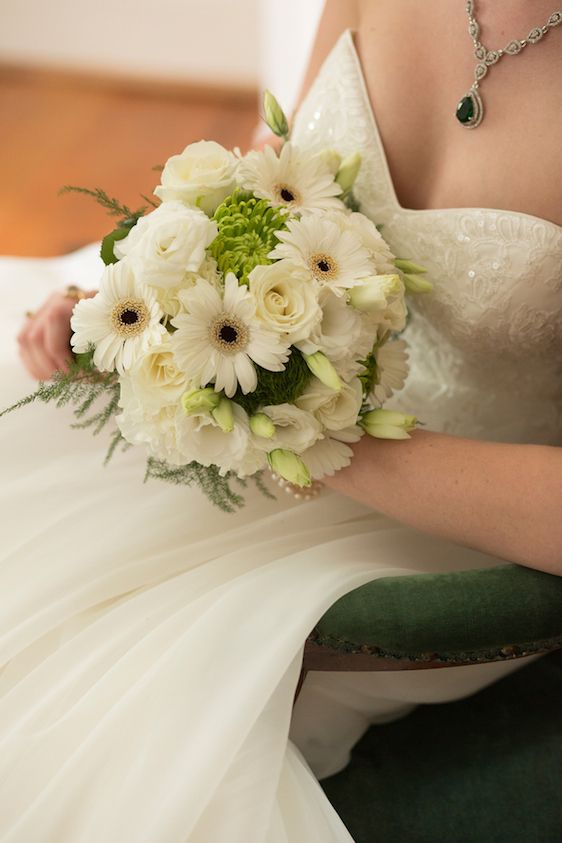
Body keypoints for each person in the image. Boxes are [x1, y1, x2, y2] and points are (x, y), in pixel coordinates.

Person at [0, 1, 560, 839]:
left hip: (463, 518)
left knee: (146, 714)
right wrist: (147, 314)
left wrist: (318, 439)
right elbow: (288, 188)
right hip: (288, 441)